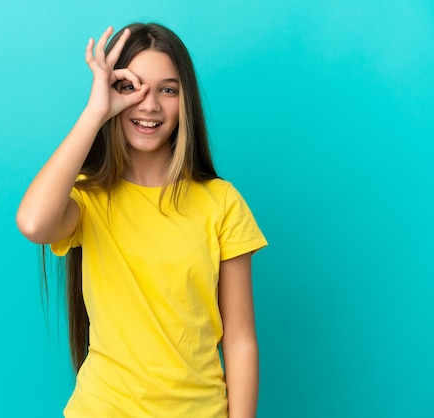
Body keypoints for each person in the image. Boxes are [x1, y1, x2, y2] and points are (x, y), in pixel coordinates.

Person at [16, 22, 267, 418]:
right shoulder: (88, 199)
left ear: (186, 102)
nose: (149, 105)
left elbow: (239, 341)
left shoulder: (222, 203)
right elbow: (33, 224)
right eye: (132, 87)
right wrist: (96, 111)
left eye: (168, 90)